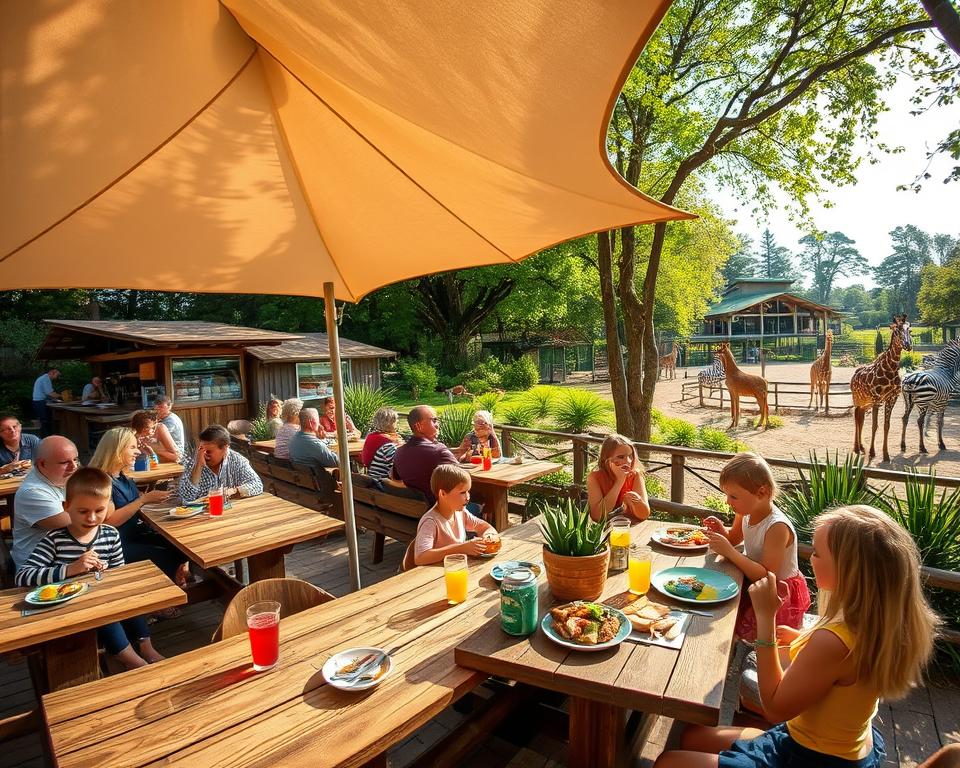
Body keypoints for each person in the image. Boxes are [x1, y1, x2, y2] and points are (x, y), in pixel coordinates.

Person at [655, 505, 938, 768]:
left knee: (668, 761)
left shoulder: (834, 642)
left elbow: (776, 707)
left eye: (816, 552)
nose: (809, 558)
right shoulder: (873, 621)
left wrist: (766, 619)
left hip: (811, 757)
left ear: (848, 570)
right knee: (692, 736)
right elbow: (835, 674)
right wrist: (798, 638)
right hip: (845, 744)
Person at [15, 467, 164, 669]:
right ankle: (132, 660)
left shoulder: (110, 535)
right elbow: (22, 576)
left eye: (99, 511)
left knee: (130, 601)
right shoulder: (55, 540)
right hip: (71, 607)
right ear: (66, 506)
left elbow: (120, 573)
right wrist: (70, 569)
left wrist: (105, 571)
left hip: (103, 597)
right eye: (83, 511)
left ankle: (146, 646)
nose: (92, 518)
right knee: (103, 617)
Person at [701, 452, 810, 642]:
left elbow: (767, 577)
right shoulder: (746, 512)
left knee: (766, 640)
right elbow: (734, 538)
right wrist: (721, 531)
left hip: (776, 594)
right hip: (753, 581)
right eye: (727, 495)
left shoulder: (776, 527)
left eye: (733, 496)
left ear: (762, 493)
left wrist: (730, 552)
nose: (728, 502)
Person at [88, 428, 189, 586]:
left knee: (180, 544)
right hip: (116, 544)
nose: (137, 451)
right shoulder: (100, 480)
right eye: (132, 447)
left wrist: (150, 499)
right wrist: (143, 500)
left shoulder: (122, 476)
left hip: (135, 533)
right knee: (162, 555)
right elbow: (110, 521)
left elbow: (130, 502)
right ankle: (162, 597)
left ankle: (177, 579)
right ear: (117, 448)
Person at [11, 436, 79, 568]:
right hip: (37, 569)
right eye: (64, 462)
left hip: (65, 558)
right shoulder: (32, 492)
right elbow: (77, 522)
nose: (74, 467)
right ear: (42, 464)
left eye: (76, 459)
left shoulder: (60, 477)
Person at [413, 465, 496, 566]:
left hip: (457, 568)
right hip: (436, 575)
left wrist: (487, 538)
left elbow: (485, 527)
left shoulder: (460, 512)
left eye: (468, 491)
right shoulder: (430, 522)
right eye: (462, 492)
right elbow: (420, 557)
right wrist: (461, 548)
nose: (468, 497)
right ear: (443, 493)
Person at [391, 405, 458, 507]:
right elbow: (463, 478)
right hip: (439, 511)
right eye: (434, 420)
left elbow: (394, 478)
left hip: (411, 512)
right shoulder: (437, 450)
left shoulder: (399, 452)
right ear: (419, 426)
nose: (437, 425)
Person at [179, 424, 263, 503]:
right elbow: (185, 498)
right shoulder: (195, 460)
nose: (203, 454)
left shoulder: (237, 461)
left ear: (225, 448)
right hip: (201, 515)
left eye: (208, 451)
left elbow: (257, 485)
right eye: (201, 449)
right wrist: (198, 466)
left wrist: (233, 491)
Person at [586, 434, 651, 522]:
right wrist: (619, 482)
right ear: (607, 459)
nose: (628, 461)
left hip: (629, 528)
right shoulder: (594, 477)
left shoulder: (635, 475)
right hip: (603, 530)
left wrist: (637, 501)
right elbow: (597, 516)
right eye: (621, 457)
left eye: (630, 456)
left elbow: (644, 515)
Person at [361, 407, 403, 481]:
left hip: (372, 475)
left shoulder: (371, 435)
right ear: (389, 423)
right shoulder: (388, 440)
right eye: (395, 420)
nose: (397, 422)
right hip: (385, 479)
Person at [31, 367, 61, 436]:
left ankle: (46, 438)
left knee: (45, 421)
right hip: (39, 402)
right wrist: (62, 396)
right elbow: (50, 393)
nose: (57, 377)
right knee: (45, 421)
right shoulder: (46, 379)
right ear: (51, 372)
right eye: (57, 375)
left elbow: (48, 394)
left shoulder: (44, 378)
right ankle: (46, 439)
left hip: (39, 402)